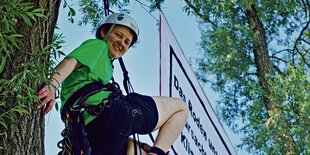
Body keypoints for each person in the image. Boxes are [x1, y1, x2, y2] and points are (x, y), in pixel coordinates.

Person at [37, 13, 189, 155]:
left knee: (134, 148)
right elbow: (71, 62)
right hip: (110, 113)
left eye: (126, 42)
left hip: (91, 136)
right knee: (180, 108)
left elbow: (111, 129)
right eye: (118, 35)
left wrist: (143, 146)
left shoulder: (105, 67)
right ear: (104, 32)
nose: (121, 43)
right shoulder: (98, 46)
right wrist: (53, 85)